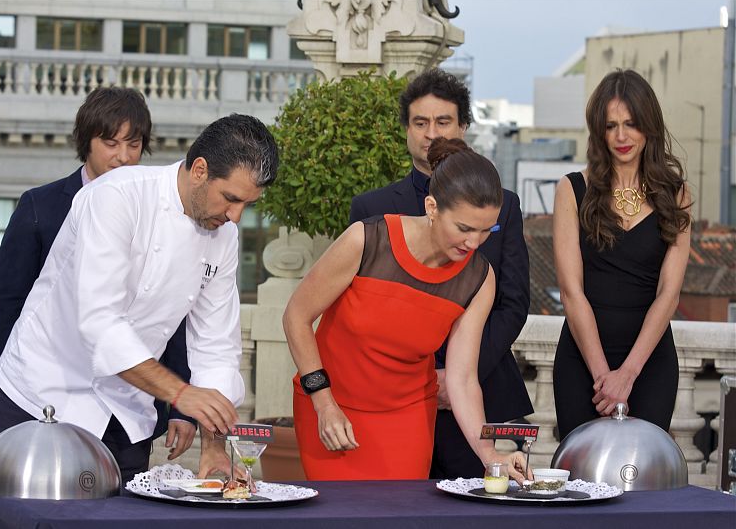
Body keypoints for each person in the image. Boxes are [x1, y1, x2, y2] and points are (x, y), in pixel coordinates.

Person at [285, 137, 529, 481]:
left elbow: (461, 378)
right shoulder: (366, 240)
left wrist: (489, 455)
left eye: (486, 230)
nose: (474, 242)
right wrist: (323, 403)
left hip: (408, 415)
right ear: (432, 207)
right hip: (330, 406)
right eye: (464, 228)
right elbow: (296, 315)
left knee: (401, 515)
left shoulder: (479, 278)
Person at [0, 87, 197, 464]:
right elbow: (6, 310)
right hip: (41, 399)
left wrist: (181, 408)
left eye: (133, 144)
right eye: (110, 143)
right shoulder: (41, 207)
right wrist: (5, 392)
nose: (123, 157)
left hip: (127, 409)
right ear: (87, 142)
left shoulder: (160, 212)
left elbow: (172, 312)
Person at [349, 69, 532, 479]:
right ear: (406, 130)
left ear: (463, 126)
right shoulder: (372, 210)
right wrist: (422, 379)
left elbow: (514, 302)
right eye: (420, 122)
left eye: (443, 121)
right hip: (393, 397)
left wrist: (458, 376)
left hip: (481, 389)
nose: (431, 133)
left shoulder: (505, 204)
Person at [552, 69, 691, 440]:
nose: (621, 136)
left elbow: (669, 294)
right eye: (611, 125)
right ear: (599, 130)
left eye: (631, 124)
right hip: (581, 360)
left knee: (642, 477)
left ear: (649, 126)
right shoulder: (571, 189)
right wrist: (604, 378)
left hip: (650, 363)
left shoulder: (676, 194)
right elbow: (571, 292)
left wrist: (627, 374)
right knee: (580, 479)